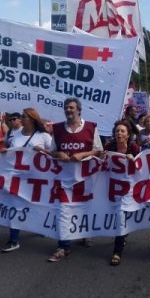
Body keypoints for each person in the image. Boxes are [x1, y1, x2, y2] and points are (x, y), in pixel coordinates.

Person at [47, 98, 103, 262]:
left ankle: (84, 234)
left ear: (79, 110)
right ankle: (63, 247)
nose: (68, 110)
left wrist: (83, 154)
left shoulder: (91, 128)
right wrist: (59, 154)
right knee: (63, 211)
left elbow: (99, 151)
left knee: (83, 209)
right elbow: (52, 152)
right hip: (64, 179)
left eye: (71, 108)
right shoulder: (57, 129)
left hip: (85, 179)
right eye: (66, 108)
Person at [1, 108, 52, 253]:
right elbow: (8, 149)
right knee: (15, 207)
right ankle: (13, 239)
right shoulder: (15, 135)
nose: (21, 118)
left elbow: (55, 155)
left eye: (24, 116)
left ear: (32, 119)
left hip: (36, 180)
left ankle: (40, 227)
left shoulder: (43, 136)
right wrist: (5, 151)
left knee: (36, 206)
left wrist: (42, 151)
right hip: (17, 178)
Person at [104, 120, 140, 266]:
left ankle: (117, 251)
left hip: (128, 188)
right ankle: (123, 234)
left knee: (121, 214)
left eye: (122, 131)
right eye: (117, 131)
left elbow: (142, 168)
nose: (119, 133)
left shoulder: (134, 147)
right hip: (112, 187)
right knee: (116, 214)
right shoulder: (109, 146)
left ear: (128, 134)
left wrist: (134, 160)